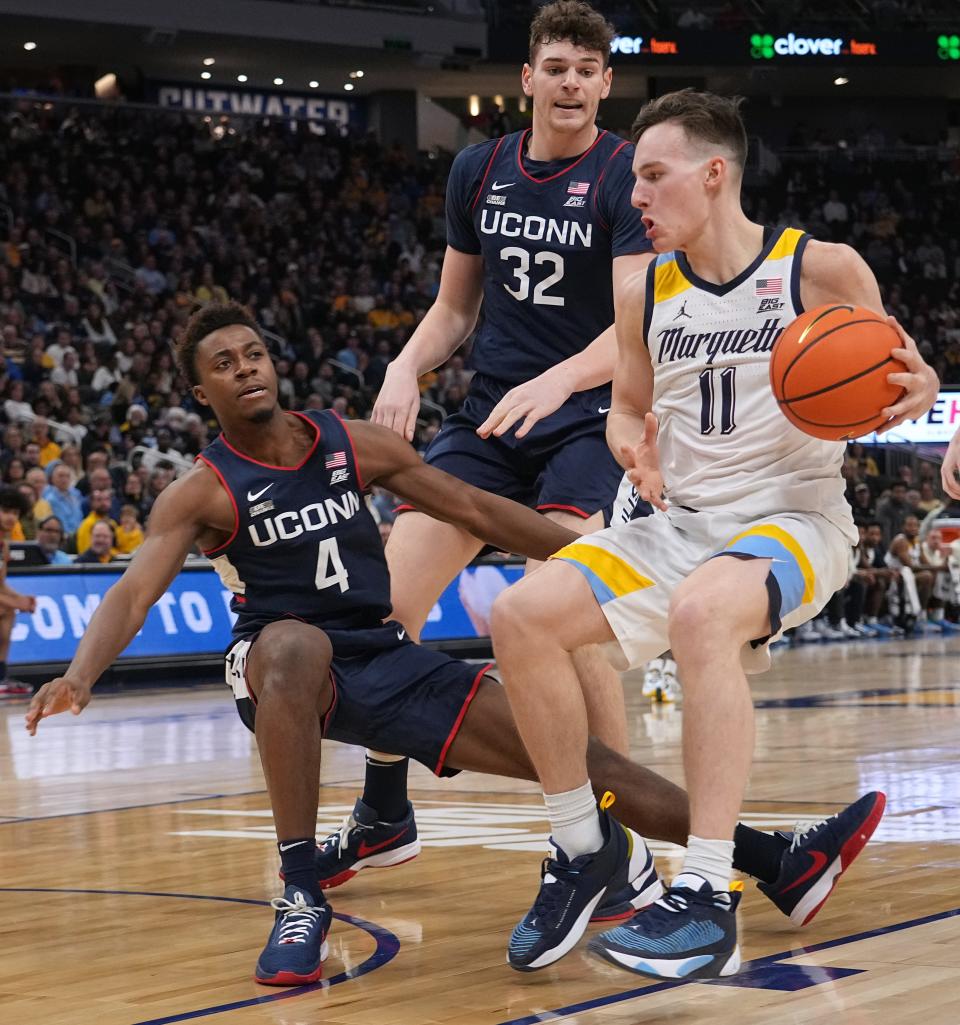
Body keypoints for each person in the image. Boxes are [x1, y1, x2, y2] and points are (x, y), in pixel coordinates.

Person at [25, 303, 880, 986]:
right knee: (292, 646)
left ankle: (780, 861)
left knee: (580, 764)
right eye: (224, 363)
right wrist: (80, 674)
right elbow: (136, 589)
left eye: (253, 353)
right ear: (201, 394)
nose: (245, 368)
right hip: (280, 669)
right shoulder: (202, 490)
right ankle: (299, 887)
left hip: (386, 659)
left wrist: (601, 559)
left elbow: (474, 511)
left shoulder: (350, 443)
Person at [489, 90, 935, 978]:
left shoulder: (823, 267)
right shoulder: (644, 291)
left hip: (795, 521)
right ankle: (587, 850)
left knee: (701, 615)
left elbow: (902, 377)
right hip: (682, 523)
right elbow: (622, 411)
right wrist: (636, 451)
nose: (638, 197)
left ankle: (704, 892)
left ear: (715, 173)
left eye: (653, 176)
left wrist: (913, 391)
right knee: (521, 615)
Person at [330, 0, 655, 880]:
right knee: (378, 610)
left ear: (605, 83)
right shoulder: (479, 169)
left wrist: (560, 379)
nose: (572, 83)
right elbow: (455, 308)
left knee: (568, 620)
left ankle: (614, 834)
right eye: (557, 67)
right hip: (489, 421)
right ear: (527, 78)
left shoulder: (628, 174)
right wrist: (405, 367)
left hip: (587, 421)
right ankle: (384, 806)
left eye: (587, 70)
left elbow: (635, 323)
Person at [0, 486, 38, 694]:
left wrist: (20, 598)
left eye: (15, 513)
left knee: (7, 612)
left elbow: (1, 584)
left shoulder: (3, 545)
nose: (11, 517)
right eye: (6, 511)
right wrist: (17, 603)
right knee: (7, 609)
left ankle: (1, 676)